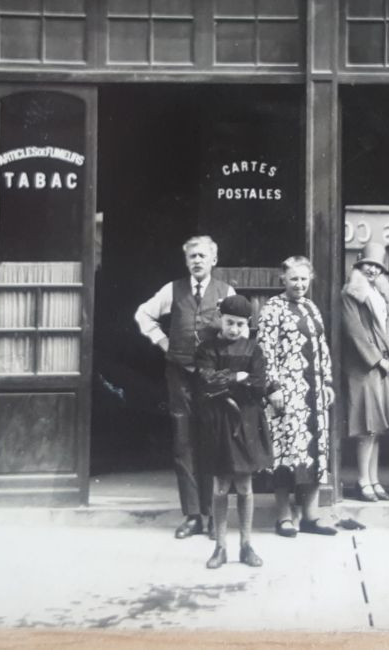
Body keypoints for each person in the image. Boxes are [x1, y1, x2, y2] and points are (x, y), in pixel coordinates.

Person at [134, 235, 235, 539]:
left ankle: (212, 515)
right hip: (179, 374)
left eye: (203, 256)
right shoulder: (172, 290)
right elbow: (143, 314)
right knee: (183, 441)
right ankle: (192, 515)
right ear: (186, 261)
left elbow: (237, 329)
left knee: (211, 441)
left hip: (210, 376)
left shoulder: (226, 291)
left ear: (213, 260)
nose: (197, 261)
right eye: (192, 257)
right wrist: (164, 342)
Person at [255, 255, 338, 537]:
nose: (299, 284)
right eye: (294, 279)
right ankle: (284, 516)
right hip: (286, 395)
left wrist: (327, 382)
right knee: (286, 453)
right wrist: (272, 388)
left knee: (314, 452)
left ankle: (311, 516)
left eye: (304, 279)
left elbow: (322, 348)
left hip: (313, 394)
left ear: (310, 279)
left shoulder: (312, 308)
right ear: (283, 279)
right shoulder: (273, 309)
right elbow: (264, 352)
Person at [194, 294, 272, 569]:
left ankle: (246, 545)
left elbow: (260, 385)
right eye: (229, 323)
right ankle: (220, 547)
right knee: (221, 484)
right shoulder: (206, 349)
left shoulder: (254, 350)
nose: (234, 329)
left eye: (240, 324)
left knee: (244, 484)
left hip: (246, 422)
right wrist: (237, 378)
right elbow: (205, 382)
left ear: (248, 324)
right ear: (220, 320)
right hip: (217, 422)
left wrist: (227, 381)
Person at [339, 241, 389, 503]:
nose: (372, 270)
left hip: (382, 365)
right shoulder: (351, 293)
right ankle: (362, 480)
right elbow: (355, 332)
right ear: (359, 265)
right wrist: (376, 360)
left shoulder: (381, 294)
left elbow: (387, 329)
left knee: (378, 427)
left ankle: (374, 479)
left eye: (377, 266)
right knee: (366, 425)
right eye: (367, 265)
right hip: (364, 366)